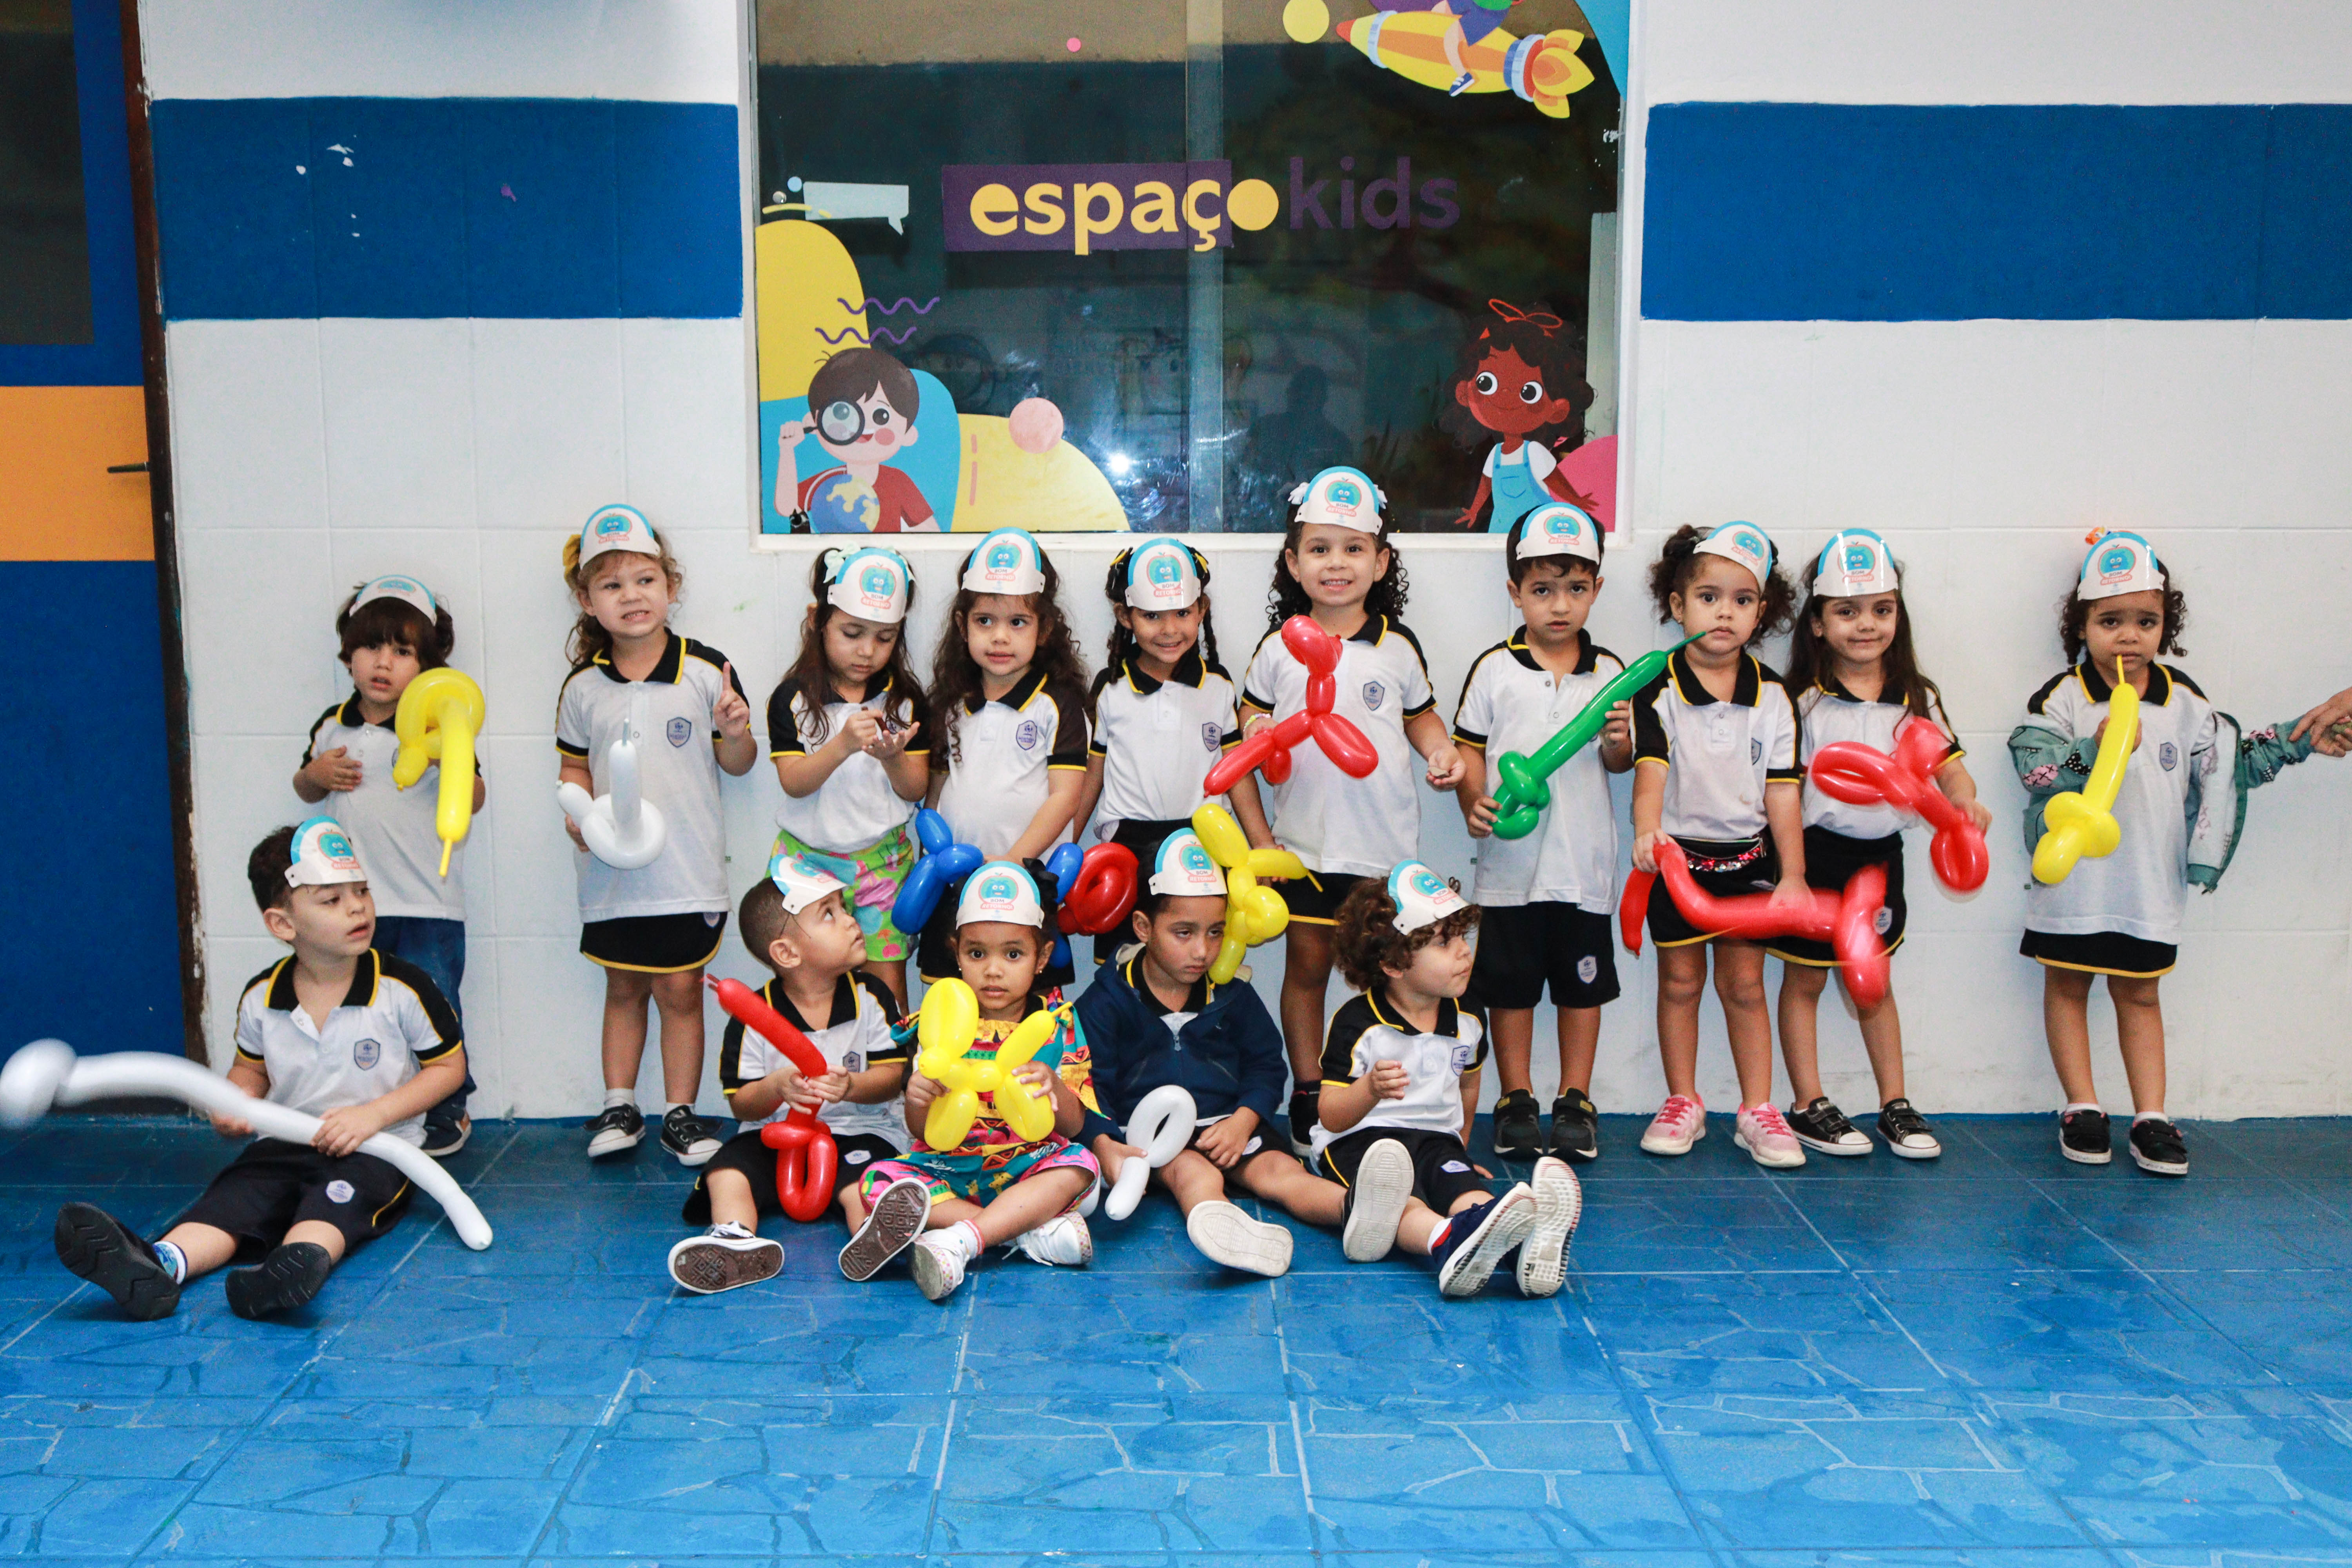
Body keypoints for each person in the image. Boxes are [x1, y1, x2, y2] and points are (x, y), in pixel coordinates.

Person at [54, 820, 465, 1320]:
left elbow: (448, 1068)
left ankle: (291, 1268)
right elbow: (250, 1072)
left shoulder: (403, 987)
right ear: (283, 924)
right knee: (234, 1199)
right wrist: (233, 1104)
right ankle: (163, 1263)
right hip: (283, 1143)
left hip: (375, 1149)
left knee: (334, 1205)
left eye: (362, 891)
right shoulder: (261, 998)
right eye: (332, 900)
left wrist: (373, 1115)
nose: (357, 907)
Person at [2011, 531, 2328, 1176]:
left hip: (2147, 887)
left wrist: (2301, 740)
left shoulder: (2185, 705)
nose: (2128, 636)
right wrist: (2094, 749)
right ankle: (2082, 1106)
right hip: (2073, 887)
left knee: (2141, 996)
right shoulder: (2063, 697)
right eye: (2110, 621)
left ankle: (2151, 1116)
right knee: (2067, 986)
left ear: (2165, 628)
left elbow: (2233, 766)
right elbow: (2039, 770)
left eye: (2146, 622)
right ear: (2082, 626)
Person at [1228, 467, 1466, 1155]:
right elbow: (1251, 717)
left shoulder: (1397, 647)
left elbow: (1421, 718)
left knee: (1388, 978)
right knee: (1305, 970)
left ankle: (1389, 1097)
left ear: (1381, 562)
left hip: (1383, 852)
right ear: (1293, 562)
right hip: (1304, 848)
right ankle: (1311, 1093)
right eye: (1320, 549)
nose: (1337, 563)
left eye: (1354, 548)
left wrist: (1441, 750)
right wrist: (1254, 727)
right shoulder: (1278, 647)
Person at [1770, 530, 1993, 1160]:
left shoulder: (1917, 696)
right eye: (1848, 611)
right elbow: (1781, 787)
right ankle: (1808, 1102)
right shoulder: (1801, 701)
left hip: (1880, 858)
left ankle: (1895, 1103)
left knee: (1874, 983)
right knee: (1806, 979)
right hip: (1815, 855)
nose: (1866, 625)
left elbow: (1950, 770)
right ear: (1818, 624)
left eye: (1881, 610)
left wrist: (1965, 803)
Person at [555, 504, 757, 1165]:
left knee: (680, 992)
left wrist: (736, 730)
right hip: (612, 875)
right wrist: (577, 816)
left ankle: (679, 1114)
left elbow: (738, 764)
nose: (631, 596)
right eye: (611, 585)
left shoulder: (707, 671)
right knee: (623, 988)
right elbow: (574, 769)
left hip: (686, 872)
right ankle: (620, 1105)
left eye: (645, 580)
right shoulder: (582, 687)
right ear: (587, 601)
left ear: (671, 586)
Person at [1077, 831, 1353, 1276]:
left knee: (1283, 1172)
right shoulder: (1106, 1001)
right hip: (1153, 1140)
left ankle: (1358, 1210)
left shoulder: (1233, 993)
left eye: (1215, 932)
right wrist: (1105, 1142)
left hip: (1230, 1125)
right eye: (1184, 933)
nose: (1203, 951)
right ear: (1144, 928)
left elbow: (1266, 1065)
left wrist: (1244, 1121)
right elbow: (1088, 1084)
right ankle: (1229, 1233)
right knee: (1194, 1174)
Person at [1451, 504, 1630, 1163]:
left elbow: (1620, 764)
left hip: (1583, 867)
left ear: (1597, 589)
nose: (1560, 605)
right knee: (1510, 988)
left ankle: (1575, 1099)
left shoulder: (1611, 672)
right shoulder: (1494, 670)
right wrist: (1473, 802)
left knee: (1582, 988)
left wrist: (1619, 741)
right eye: (1543, 589)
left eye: (1576, 589)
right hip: (1509, 870)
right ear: (1515, 591)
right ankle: (1516, 1097)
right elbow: (1470, 750)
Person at [1628, 523, 1808, 1168]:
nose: (1724, 613)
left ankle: (1758, 1108)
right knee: (1679, 983)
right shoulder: (1657, 687)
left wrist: (1794, 877)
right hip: (1678, 864)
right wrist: (1647, 830)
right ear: (1679, 606)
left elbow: (1783, 794)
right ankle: (1684, 1100)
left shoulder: (1776, 697)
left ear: (1761, 612)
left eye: (1741, 599)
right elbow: (1650, 770)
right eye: (1708, 598)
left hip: (1748, 864)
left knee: (1746, 986)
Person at [1315, 865, 1581, 1298]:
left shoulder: (1469, 1015)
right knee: (1400, 1202)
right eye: (1444, 942)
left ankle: (1526, 1250)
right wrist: (1370, 1090)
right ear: (1393, 964)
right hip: (1364, 1143)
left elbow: (1468, 1085)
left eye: (1461, 936)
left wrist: (1459, 1147)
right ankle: (1446, 1240)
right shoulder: (1358, 1024)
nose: (1464, 951)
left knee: (1464, 1190)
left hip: (1435, 1141)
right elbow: (1329, 1114)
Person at [847, 862, 1106, 1301]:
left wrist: (1053, 1086)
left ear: (1042, 958)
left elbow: (1075, 1124)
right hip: (949, 1168)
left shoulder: (1057, 1024)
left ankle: (961, 1240)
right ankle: (1019, 1232)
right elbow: (920, 1129)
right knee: (878, 1179)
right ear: (957, 954)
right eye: (978, 954)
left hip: (1025, 1164)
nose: (993, 971)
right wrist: (918, 1097)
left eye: (1013, 955)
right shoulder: (939, 1020)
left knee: (1081, 1166)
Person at [294, 574, 484, 1156]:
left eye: (403, 652)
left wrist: (446, 761)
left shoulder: (439, 724)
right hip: (351, 907)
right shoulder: (332, 725)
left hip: (428, 901)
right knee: (364, 1009)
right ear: (348, 655)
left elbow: (474, 798)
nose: (384, 663)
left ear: (426, 666)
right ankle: (372, 1106)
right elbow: (304, 788)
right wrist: (316, 775)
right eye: (372, 647)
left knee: (433, 1007)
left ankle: (448, 1109)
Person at [668, 854, 914, 1294]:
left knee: (868, 1177)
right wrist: (775, 1087)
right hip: (775, 1135)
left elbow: (894, 1076)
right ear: (787, 953)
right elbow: (741, 1104)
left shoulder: (873, 995)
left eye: (844, 907)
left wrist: (851, 1087)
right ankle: (734, 1239)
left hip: (857, 1129)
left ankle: (873, 1237)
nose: (851, 920)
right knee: (726, 1170)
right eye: (830, 914)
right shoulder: (753, 1014)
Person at [920, 528, 1090, 988]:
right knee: (949, 1002)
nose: (1000, 637)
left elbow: (1066, 798)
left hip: (1025, 881)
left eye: (1018, 622)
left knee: (1029, 1006)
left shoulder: (1058, 704)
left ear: (1044, 628)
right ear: (963, 626)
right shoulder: (951, 702)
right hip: (956, 885)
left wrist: (1013, 861)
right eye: (985, 621)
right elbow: (936, 794)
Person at [768, 546, 930, 1005]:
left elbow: (916, 788)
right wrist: (841, 745)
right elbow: (794, 781)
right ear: (817, 620)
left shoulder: (904, 700)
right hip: (809, 863)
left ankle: (890, 1057)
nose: (867, 651)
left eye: (885, 637)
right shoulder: (793, 698)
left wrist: (893, 758)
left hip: (883, 865)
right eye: (852, 633)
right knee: (809, 982)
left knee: (887, 988)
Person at [1074, 538, 1240, 883]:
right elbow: (1093, 775)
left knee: (1200, 922)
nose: (1169, 630)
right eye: (1152, 616)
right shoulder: (1111, 687)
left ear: (1202, 609)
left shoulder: (1219, 686)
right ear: (1126, 616)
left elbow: (1237, 773)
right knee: (1127, 923)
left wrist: (1261, 842)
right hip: (1126, 842)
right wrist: (1065, 848)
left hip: (1204, 841)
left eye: (1182, 613)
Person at [1439, 300, 1595, 535]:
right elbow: (1487, 483)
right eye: (1486, 383)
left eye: (1529, 392)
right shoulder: (1496, 454)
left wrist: (1576, 500)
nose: (1505, 396)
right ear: (1465, 392)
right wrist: (1475, 510)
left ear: (1557, 409)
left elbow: (1554, 479)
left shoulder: (1534, 453)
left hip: (1536, 531)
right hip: (1501, 527)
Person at [775, 346, 938, 534]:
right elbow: (787, 508)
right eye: (842, 414)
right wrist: (787, 449)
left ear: (908, 434)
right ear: (815, 423)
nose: (864, 428)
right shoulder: (827, 482)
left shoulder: (898, 482)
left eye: (881, 416)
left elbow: (931, 532)